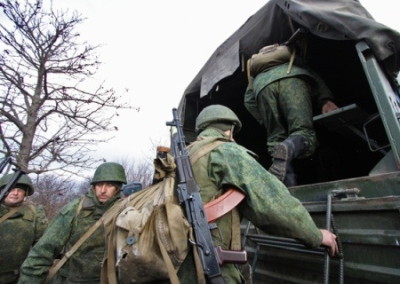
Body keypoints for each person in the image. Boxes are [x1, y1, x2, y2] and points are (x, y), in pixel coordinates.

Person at [173, 105, 338, 283]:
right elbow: (273, 204)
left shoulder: (183, 158)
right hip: (209, 267)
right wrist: (316, 235)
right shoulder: (226, 152)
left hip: (179, 263)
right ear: (229, 130)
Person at [244, 44, 339, 186]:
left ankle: (289, 188)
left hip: (262, 88)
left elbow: (248, 100)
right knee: (303, 131)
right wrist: (325, 99)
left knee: (276, 139)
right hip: (292, 79)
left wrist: (265, 118)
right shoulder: (290, 56)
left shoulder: (257, 70)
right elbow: (312, 74)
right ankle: (289, 146)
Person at [18, 162, 127, 284]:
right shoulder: (75, 209)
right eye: (99, 185)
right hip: (70, 279)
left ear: (118, 188)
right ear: (94, 186)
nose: (103, 190)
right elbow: (44, 250)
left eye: (110, 185)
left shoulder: (127, 212)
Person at [0, 173, 48, 284]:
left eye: (20, 190)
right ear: (3, 189)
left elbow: (43, 248)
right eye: (12, 188)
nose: (15, 193)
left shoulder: (35, 214)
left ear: (25, 193)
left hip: (17, 278)